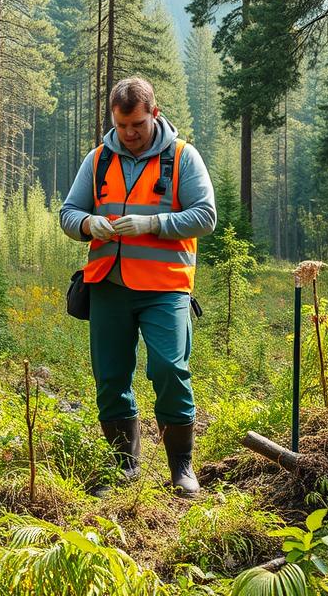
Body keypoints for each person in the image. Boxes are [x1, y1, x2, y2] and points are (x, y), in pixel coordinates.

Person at [60, 77, 217, 497]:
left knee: (169, 369)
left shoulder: (183, 158)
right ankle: (123, 468)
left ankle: (181, 468)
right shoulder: (98, 160)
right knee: (110, 377)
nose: (129, 134)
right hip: (108, 285)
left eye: (138, 125)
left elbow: (206, 216)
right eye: (122, 124)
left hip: (166, 288)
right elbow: (68, 212)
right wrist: (86, 223)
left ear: (155, 115)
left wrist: (155, 224)